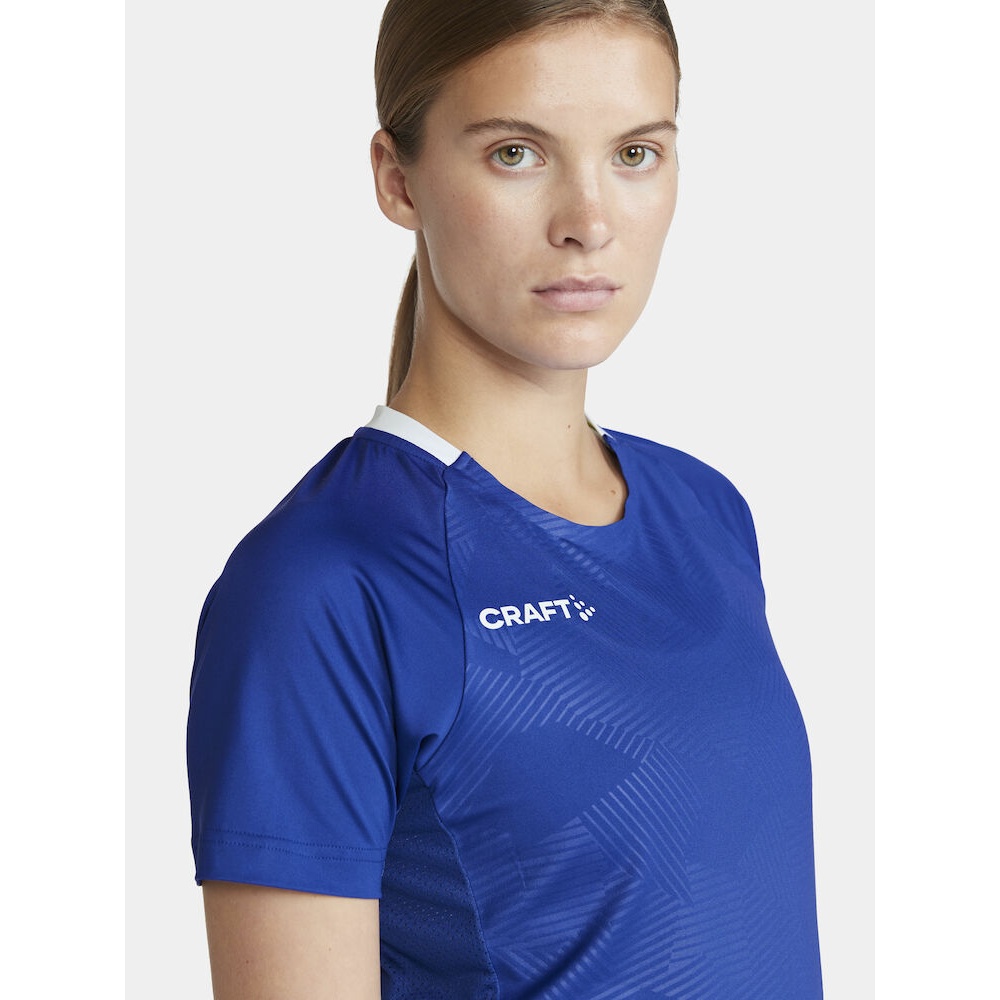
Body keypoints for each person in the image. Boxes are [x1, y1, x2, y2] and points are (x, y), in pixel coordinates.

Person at [186, 0, 824, 996]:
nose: (588, 223)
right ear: (397, 179)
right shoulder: (320, 585)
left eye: (635, 154)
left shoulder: (706, 514)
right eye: (516, 154)